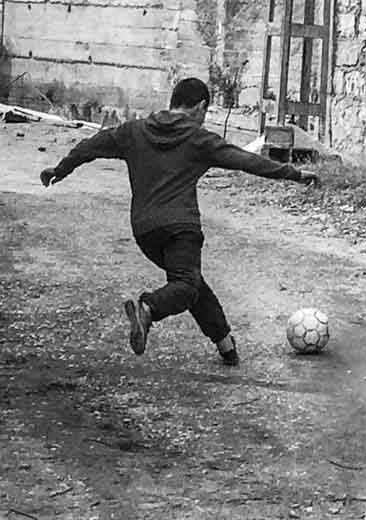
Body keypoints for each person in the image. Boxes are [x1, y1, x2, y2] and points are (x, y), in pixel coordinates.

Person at [39, 75, 317, 367]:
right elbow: (247, 161)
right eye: (205, 113)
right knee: (186, 285)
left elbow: (91, 145)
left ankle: (226, 346)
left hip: (145, 232)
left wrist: (61, 169)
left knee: (192, 283)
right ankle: (149, 307)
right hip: (181, 228)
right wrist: (295, 174)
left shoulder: (134, 131)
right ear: (199, 107)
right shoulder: (199, 139)